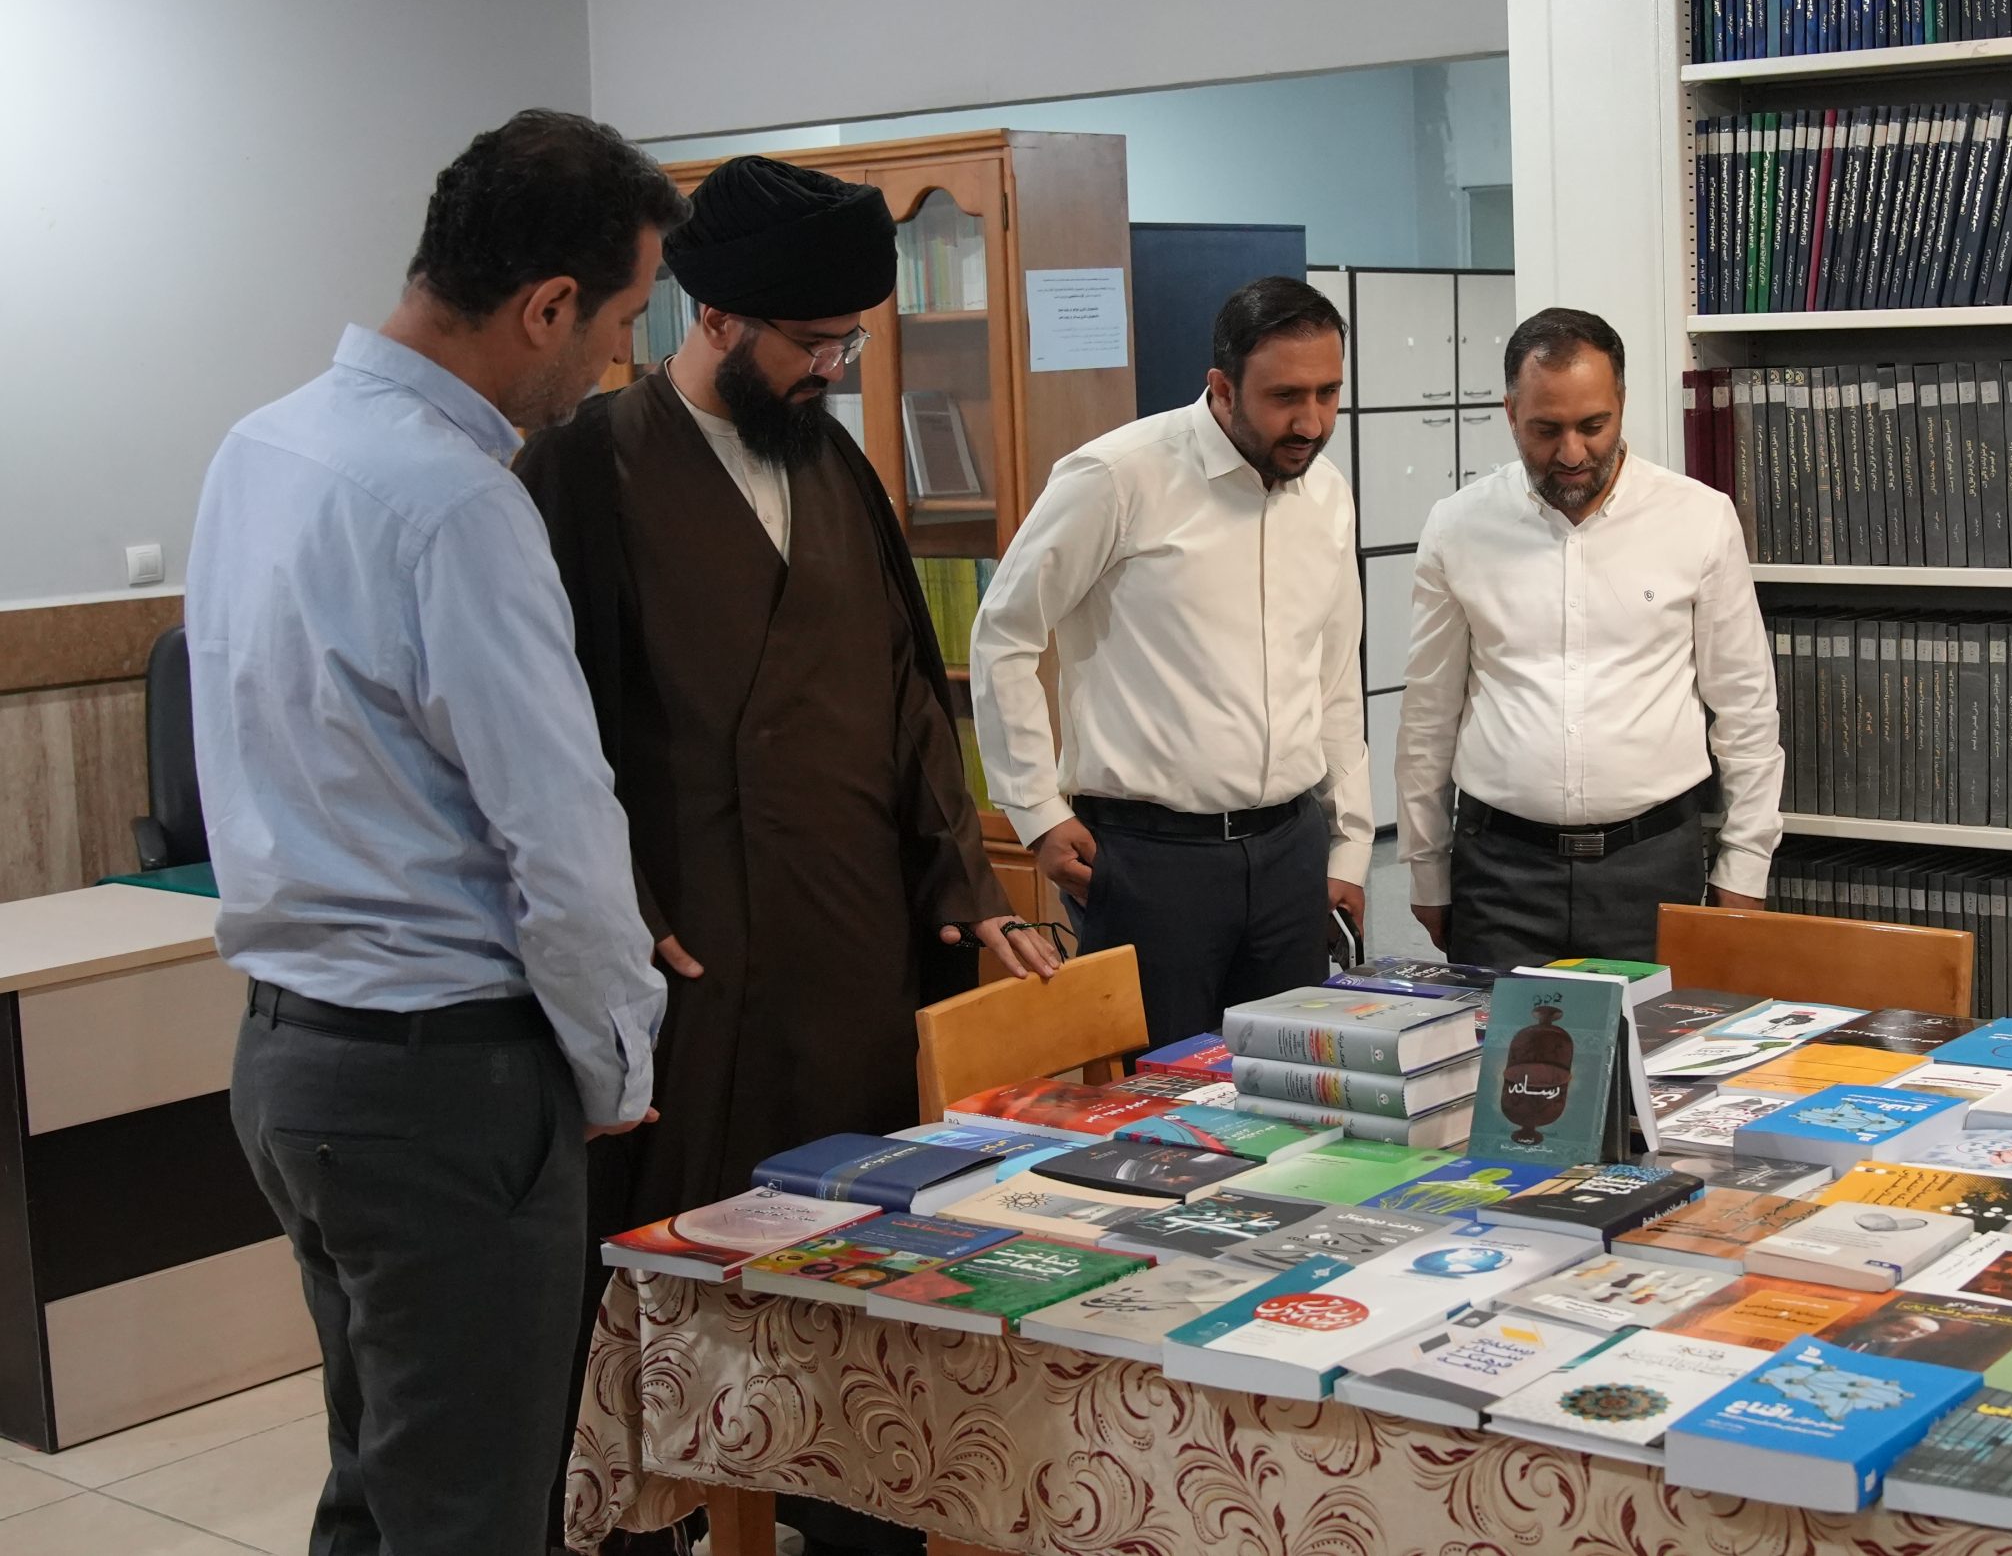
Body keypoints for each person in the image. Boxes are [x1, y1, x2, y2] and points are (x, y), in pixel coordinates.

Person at [516, 154, 1054, 1556]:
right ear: (717, 319)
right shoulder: (586, 465)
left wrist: (966, 888)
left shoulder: (835, 463)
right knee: (686, 1290)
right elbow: (539, 726)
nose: (835, 368)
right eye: (816, 344)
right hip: (693, 959)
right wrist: (615, 899)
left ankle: (854, 1506)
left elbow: (906, 703)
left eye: (849, 343)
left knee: (854, 1274)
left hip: (853, 948)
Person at [189, 109, 680, 1556]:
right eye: (619, 322)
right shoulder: (460, 500)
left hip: (293, 1057)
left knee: (380, 1479)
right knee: (474, 1505)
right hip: (444, 1079)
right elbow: (559, 832)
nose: (614, 363)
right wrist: (615, 1059)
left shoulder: (260, 445)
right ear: (545, 304)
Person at [972, 276, 1372, 1046]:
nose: (1313, 420)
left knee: (1297, 1099)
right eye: (1286, 395)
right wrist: (1034, 809)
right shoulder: (1117, 476)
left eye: (1329, 393)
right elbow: (1004, 633)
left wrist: (1350, 841)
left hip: (1291, 852)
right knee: (1159, 1121)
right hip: (1150, 862)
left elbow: (1334, 678)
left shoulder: (1326, 493)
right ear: (1220, 387)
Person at [1397, 306, 1783, 969]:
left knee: (1660, 1068)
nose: (1572, 453)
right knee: (1498, 1069)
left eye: (1593, 425)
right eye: (1547, 429)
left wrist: (1745, 864)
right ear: (1510, 412)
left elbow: (1745, 709)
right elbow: (1428, 715)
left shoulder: (1698, 518)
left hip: (1652, 868)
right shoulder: (1457, 527)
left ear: (1622, 403)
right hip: (1500, 876)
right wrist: (1426, 867)